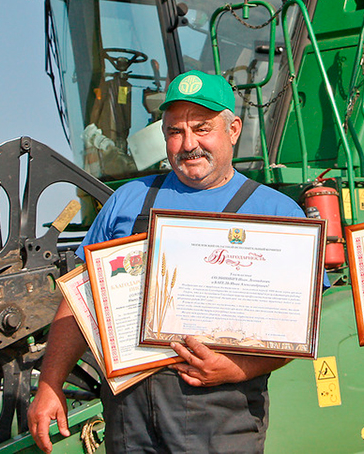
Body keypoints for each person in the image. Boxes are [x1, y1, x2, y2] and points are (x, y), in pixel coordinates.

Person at [28, 71, 303, 454]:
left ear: (233, 129)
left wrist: (236, 367)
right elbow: (79, 300)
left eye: (202, 129)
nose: (189, 144)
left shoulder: (276, 213)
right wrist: (50, 384)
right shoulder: (129, 200)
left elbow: (296, 327)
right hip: (129, 413)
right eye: (175, 132)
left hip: (220, 413)